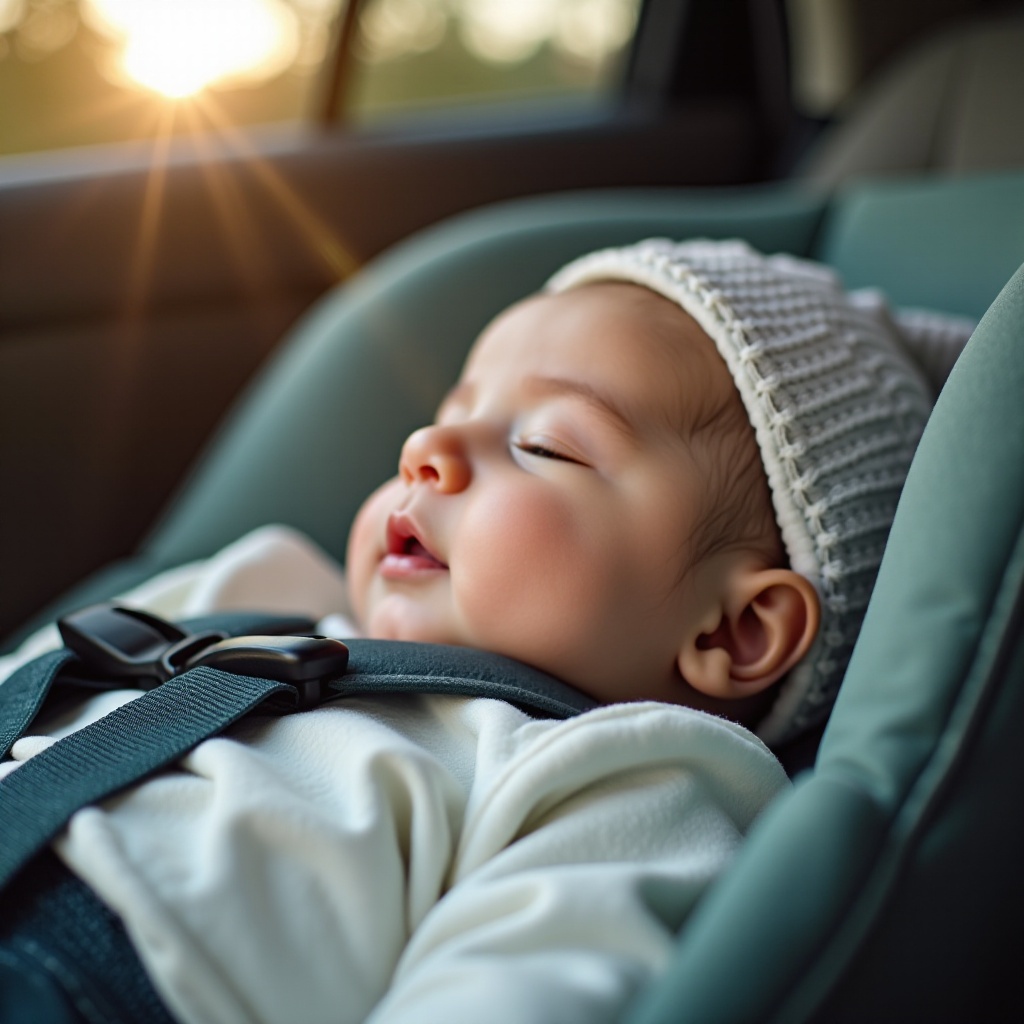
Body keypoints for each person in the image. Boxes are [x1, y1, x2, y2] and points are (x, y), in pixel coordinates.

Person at [0, 239, 965, 1024]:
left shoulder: (618, 781)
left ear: (735, 629)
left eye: (543, 444)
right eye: (448, 414)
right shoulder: (257, 587)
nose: (426, 451)